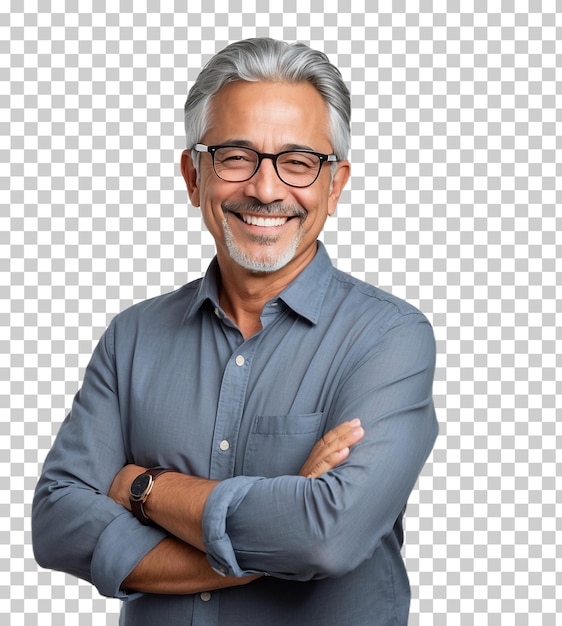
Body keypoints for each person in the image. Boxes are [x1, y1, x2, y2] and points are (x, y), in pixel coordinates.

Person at [32, 37, 438, 625]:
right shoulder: (133, 337)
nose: (265, 189)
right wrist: (268, 536)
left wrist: (145, 488)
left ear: (336, 184)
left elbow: (324, 537)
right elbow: (56, 523)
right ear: (194, 176)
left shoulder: (389, 339)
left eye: (297, 161)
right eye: (235, 156)